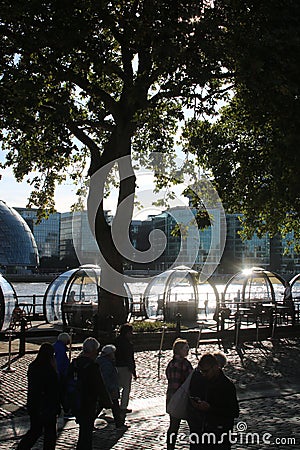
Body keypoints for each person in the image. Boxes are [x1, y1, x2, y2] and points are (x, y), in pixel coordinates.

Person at [187, 353, 239, 449]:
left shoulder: (227, 385)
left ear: (215, 367)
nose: (204, 374)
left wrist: (210, 408)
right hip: (205, 432)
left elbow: (234, 412)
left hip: (221, 433)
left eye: (206, 371)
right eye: (202, 371)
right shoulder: (203, 381)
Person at [17, 343, 61, 450]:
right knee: (49, 434)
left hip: (34, 404)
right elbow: (54, 388)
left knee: (35, 431)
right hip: (47, 406)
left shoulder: (34, 366)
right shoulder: (49, 370)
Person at [166, 338, 193, 450]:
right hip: (183, 397)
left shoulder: (171, 363)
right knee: (193, 424)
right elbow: (191, 380)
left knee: (173, 425)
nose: (188, 350)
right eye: (186, 348)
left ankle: (170, 447)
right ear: (179, 350)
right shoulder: (184, 364)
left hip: (171, 397)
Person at [96, 344, 125, 428]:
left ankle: (119, 422)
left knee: (106, 405)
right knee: (114, 406)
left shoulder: (102, 361)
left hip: (109, 388)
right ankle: (119, 423)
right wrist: (110, 388)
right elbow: (106, 377)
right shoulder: (107, 364)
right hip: (110, 388)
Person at [115, 323, 137, 415]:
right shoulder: (128, 344)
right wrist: (133, 371)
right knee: (126, 388)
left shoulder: (116, 341)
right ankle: (123, 407)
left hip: (116, 366)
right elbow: (129, 358)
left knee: (117, 385)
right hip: (125, 367)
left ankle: (112, 403)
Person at [53, 332, 71, 417]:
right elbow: (59, 362)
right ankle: (66, 408)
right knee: (63, 392)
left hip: (60, 373)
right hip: (61, 374)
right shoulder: (61, 349)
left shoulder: (56, 346)